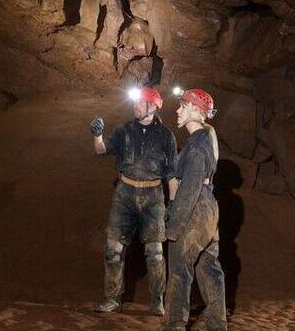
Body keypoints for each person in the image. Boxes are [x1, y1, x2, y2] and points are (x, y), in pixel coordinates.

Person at [89, 86, 177, 316]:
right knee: (112, 250)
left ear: (153, 106)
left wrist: (173, 205)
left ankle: (157, 301)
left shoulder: (166, 136)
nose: (135, 107)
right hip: (125, 193)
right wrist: (97, 134)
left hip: (153, 196)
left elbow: (171, 174)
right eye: (136, 103)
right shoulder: (124, 130)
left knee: (156, 253)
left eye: (141, 103)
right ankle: (112, 299)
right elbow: (101, 150)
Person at [163, 88, 227, 331]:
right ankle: (217, 325)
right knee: (209, 269)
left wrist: (175, 226)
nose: (178, 110)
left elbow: (189, 187)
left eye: (183, 106)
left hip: (195, 208)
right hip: (209, 208)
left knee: (179, 270)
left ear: (197, 111)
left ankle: (173, 326)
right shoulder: (199, 141)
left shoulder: (198, 145)